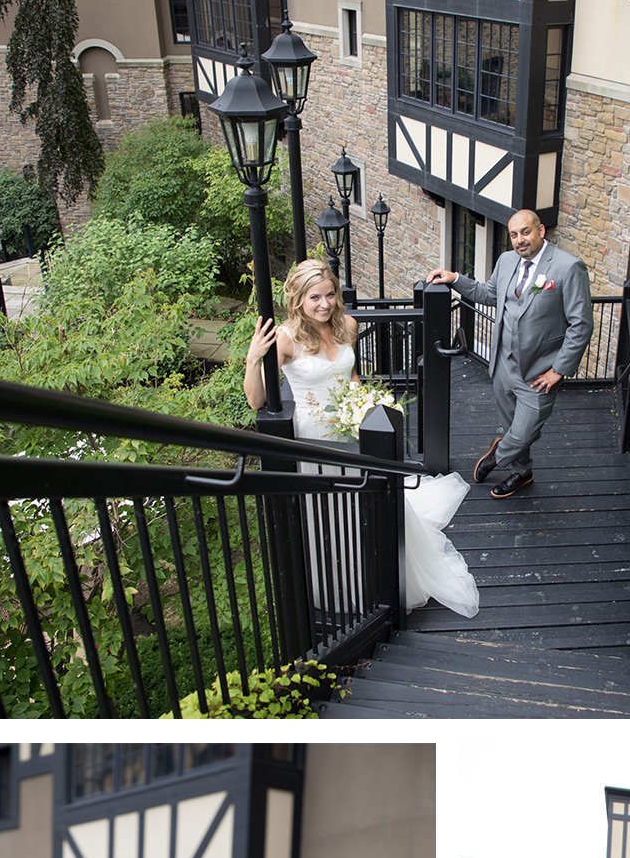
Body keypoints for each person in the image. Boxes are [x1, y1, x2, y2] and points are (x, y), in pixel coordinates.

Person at [244, 258, 479, 619]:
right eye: (315, 298)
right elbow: (257, 401)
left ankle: (373, 573)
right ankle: (337, 585)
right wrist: (253, 359)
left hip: (351, 428)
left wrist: (365, 406)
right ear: (298, 300)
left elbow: (351, 376)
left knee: (363, 501)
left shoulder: (347, 324)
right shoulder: (287, 339)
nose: (325, 304)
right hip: (313, 436)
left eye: (330, 295)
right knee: (328, 510)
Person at [426, 208, 594, 500]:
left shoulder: (568, 268)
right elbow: (489, 294)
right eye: (514, 235)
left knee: (524, 432)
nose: (520, 240)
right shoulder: (506, 261)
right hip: (503, 366)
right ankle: (522, 472)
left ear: (541, 231)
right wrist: (454, 278)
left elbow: (581, 324)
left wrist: (559, 370)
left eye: (525, 232)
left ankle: (496, 456)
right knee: (511, 426)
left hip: (539, 373)